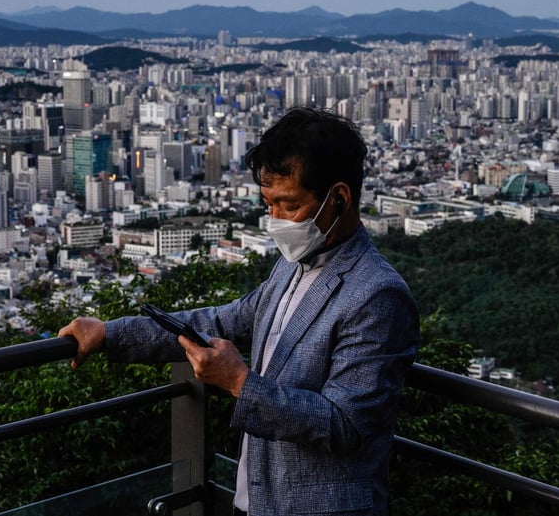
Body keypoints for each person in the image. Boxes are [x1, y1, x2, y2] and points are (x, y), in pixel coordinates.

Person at [59, 107, 420, 516]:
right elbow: (222, 321)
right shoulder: (292, 264)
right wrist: (110, 334)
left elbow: (346, 425)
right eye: (269, 205)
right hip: (255, 499)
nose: (275, 221)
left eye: (288, 205)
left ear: (340, 197)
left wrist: (239, 382)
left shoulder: (377, 295)